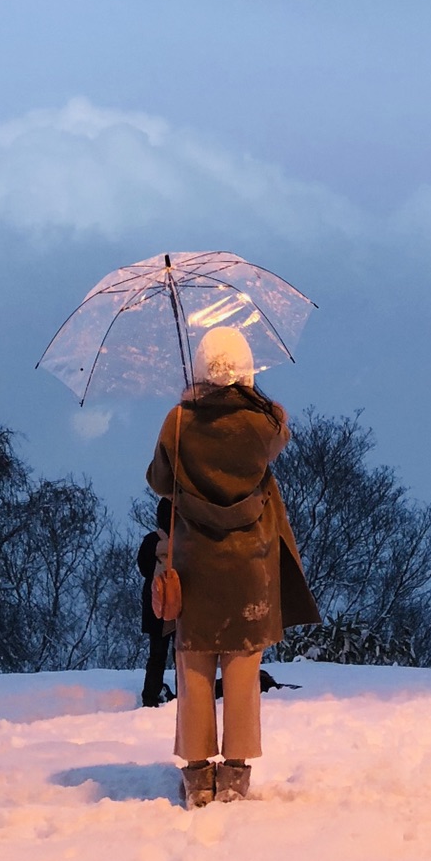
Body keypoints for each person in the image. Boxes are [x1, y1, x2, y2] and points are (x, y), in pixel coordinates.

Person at [147, 324, 318, 808]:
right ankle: (238, 771)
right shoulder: (264, 425)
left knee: (195, 665)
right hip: (250, 566)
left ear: (201, 368)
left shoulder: (177, 422)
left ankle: (199, 776)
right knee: (242, 665)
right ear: (246, 369)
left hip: (196, 565)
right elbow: (281, 434)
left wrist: (186, 414)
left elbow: (160, 481)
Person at [136, 495, 175, 707]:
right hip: (180, 606)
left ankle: (149, 697)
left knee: (156, 656)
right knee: (183, 657)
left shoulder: (151, 541)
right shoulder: (185, 540)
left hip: (156, 606)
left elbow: (143, 569)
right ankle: (187, 697)